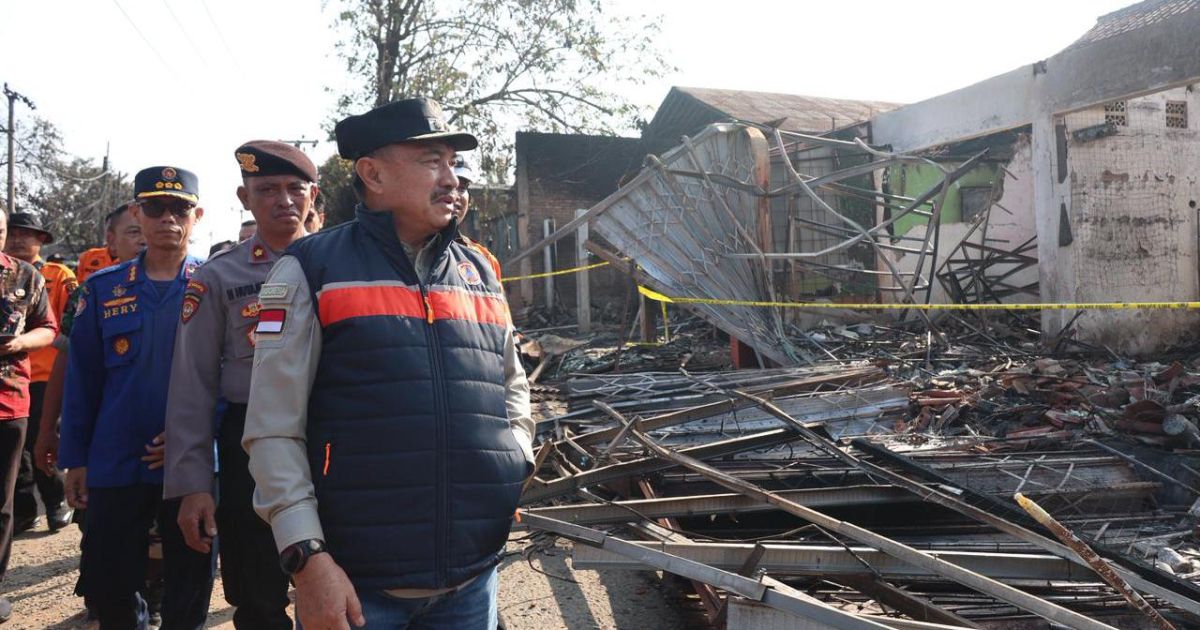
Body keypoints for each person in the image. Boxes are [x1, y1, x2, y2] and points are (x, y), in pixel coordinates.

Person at [243, 97, 534, 630]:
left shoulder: (479, 272)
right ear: (372, 173)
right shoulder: (309, 269)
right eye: (431, 161)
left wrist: (512, 457)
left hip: (472, 580)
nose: (452, 178)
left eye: (453, 161)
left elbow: (511, 384)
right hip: (356, 584)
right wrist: (307, 559)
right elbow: (272, 429)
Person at [165, 141, 319, 629]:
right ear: (244, 196)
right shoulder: (218, 277)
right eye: (267, 189)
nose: (284, 200)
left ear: (313, 195)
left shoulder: (342, 263)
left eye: (296, 189)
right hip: (247, 443)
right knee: (257, 595)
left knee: (343, 583)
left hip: (332, 436)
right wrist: (192, 484)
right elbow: (191, 386)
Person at [60, 167, 214, 629]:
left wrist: (197, 437)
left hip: (189, 460)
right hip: (115, 457)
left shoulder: (215, 284)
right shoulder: (104, 289)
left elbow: (232, 375)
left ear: (197, 215)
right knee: (109, 581)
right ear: (136, 213)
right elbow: (82, 380)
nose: (168, 217)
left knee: (190, 577)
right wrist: (76, 457)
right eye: (154, 207)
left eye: (180, 208)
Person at [0, 210, 58, 623]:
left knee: (1, 504)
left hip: (8, 403)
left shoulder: (25, 277)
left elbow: (49, 328)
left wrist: (20, 341)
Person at [4, 213, 76, 534]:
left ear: (41, 241)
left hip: (46, 375)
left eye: (26, 234)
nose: (19, 240)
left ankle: (57, 500)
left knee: (41, 441)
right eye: (14, 233)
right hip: (16, 380)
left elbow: (64, 324)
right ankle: (24, 509)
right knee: (17, 460)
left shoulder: (56, 275)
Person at [451, 155, 501, 280]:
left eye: (462, 188)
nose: (454, 196)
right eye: (447, 187)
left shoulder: (485, 261)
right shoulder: (400, 257)